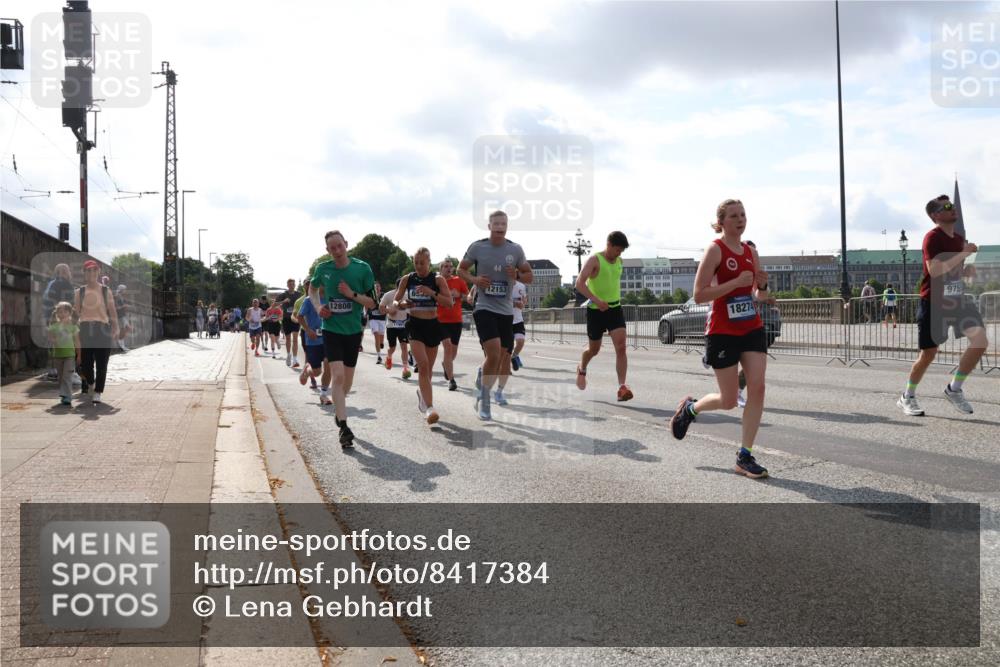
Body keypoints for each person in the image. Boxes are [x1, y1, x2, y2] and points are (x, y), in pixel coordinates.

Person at [669, 199, 770, 479]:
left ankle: (744, 456)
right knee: (728, 400)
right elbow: (700, 294)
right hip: (723, 330)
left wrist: (762, 286)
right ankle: (690, 409)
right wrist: (734, 284)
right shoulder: (715, 250)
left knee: (758, 388)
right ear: (722, 222)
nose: (740, 219)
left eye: (743, 214)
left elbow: (757, 295)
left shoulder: (750, 251)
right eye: (734, 216)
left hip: (751, 326)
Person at [898, 194, 988, 416]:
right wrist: (964, 253)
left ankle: (954, 389)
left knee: (980, 341)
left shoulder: (958, 238)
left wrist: (966, 271)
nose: (953, 209)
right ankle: (907, 396)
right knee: (928, 354)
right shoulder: (932, 238)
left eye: (953, 205)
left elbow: (952, 270)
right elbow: (935, 270)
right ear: (935, 215)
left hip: (957, 300)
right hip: (934, 302)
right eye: (947, 207)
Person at [458, 210, 533, 420]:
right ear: (489, 226)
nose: (500, 227)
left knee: (501, 358)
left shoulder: (515, 249)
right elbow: (460, 270)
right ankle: (485, 399)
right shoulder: (478, 247)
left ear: (507, 226)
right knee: (492, 354)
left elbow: (529, 276)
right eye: (496, 224)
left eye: (504, 224)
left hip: (506, 311)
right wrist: (474, 280)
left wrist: (517, 274)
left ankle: (483, 376)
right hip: (484, 307)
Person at [309, 230, 377, 448]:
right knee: (337, 377)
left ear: (346, 244)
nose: (337, 251)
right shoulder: (323, 269)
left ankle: (339, 411)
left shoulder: (362, 268)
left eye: (340, 246)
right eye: (332, 248)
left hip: (353, 331)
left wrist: (351, 294)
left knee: (346, 384)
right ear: (327, 250)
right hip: (331, 330)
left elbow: (372, 303)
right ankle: (344, 428)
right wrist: (319, 306)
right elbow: (312, 289)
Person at [394, 248, 453, 424]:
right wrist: (402, 303)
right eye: (416, 262)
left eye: (422, 262)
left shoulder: (437, 279)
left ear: (429, 261)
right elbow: (396, 301)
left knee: (428, 372)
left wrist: (431, 293)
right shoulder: (407, 279)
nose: (419, 266)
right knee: (423, 365)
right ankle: (430, 409)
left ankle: (423, 397)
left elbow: (449, 302)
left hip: (432, 325)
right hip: (414, 325)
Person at [573, 231, 633, 401]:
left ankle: (622, 387)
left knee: (621, 347)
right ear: (609, 245)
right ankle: (582, 367)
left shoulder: (619, 261)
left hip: (615, 309)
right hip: (595, 311)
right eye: (617, 250)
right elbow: (579, 283)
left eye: (622, 251)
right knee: (594, 350)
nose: (619, 254)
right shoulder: (594, 260)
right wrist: (597, 300)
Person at [75, 259, 119, 404]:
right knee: (85, 364)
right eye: (88, 270)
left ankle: (98, 391)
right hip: (85, 329)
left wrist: (115, 327)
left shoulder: (106, 291)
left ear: (98, 272)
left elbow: (112, 312)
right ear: (84, 273)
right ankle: (91, 384)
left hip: (102, 329)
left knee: (102, 363)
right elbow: (76, 313)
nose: (91, 273)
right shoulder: (79, 292)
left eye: (94, 270)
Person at [437, 259, 468, 391]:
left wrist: (459, 294)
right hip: (441, 321)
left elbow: (468, 296)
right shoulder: (436, 282)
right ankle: (452, 380)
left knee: (453, 352)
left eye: (450, 267)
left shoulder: (458, 281)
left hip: (456, 321)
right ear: (441, 268)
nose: (448, 269)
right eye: (445, 266)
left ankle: (446, 364)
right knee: (448, 347)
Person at [298, 279, 332, 399]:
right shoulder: (309, 300)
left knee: (329, 365)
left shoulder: (330, 299)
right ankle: (308, 370)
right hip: (313, 340)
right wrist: (307, 330)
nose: (325, 284)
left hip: (328, 338)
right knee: (317, 372)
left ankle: (323, 393)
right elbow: (299, 316)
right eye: (323, 282)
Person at [42, 263, 76, 381]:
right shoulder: (63, 283)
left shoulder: (52, 283)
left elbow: (47, 300)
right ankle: (63, 370)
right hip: (61, 316)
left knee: (53, 342)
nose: (68, 272)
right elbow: (70, 300)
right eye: (66, 270)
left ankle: (53, 370)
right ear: (62, 272)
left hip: (52, 315)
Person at [47, 302, 80, 406]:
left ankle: (68, 396)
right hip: (58, 355)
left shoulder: (73, 327)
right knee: (61, 377)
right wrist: (54, 340)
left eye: (65, 311)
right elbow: (50, 337)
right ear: (57, 314)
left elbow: (77, 341)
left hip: (70, 355)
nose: (62, 314)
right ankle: (64, 394)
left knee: (67, 376)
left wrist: (79, 354)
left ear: (70, 313)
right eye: (60, 312)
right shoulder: (54, 326)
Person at [380, 280, 412, 378]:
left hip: (403, 325)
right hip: (391, 325)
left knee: (404, 346)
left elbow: (412, 309)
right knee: (392, 347)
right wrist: (389, 311)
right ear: (397, 287)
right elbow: (381, 307)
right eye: (401, 288)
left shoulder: (408, 296)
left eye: (404, 288)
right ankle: (389, 357)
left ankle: (405, 369)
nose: (403, 290)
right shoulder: (388, 295)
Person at [278, 278, 302, 368]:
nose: (292, 285)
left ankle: (295, 359)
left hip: (295, 319)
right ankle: (289, 355)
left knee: (295, 339)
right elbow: (274, 304)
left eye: (293, 284)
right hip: (286, 319)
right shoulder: (283, 295)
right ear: (287, 285)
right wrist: (283, 301)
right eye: (290, 284)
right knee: (288, 339)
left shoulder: (299, 294)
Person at [510, 273, 528, 371]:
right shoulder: (504, 286)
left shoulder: (521, 286)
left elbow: (524, 299)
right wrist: (514, 303)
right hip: (506, 319)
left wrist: (523, 303)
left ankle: (514, 356)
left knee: (520, 342)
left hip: (518, 319)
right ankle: (506, 368)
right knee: (507, 346)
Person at [367, 282, 387, 365]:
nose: (376, 288)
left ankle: (381, 343)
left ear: (380, 288)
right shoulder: (371, 295)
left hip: (382, 319)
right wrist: (365, 314)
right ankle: (379, 356)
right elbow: (366, 304)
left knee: (381, 337)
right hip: (373, 318)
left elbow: (387, 304)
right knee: (376, 334)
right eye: (375, 287)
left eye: (378, 286)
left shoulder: (384, 295)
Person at [115, 285, 132, 350]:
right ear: (121, 289)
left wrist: (126, 306)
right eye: (124, 289)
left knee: (128, 329)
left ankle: (122, 344)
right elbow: (116, 307)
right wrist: (124, 306)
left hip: (123, 315)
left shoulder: (121, 296)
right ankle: (121, 345)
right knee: (124, 329)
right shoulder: (117, 296)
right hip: (120, 315)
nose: (125, 291)